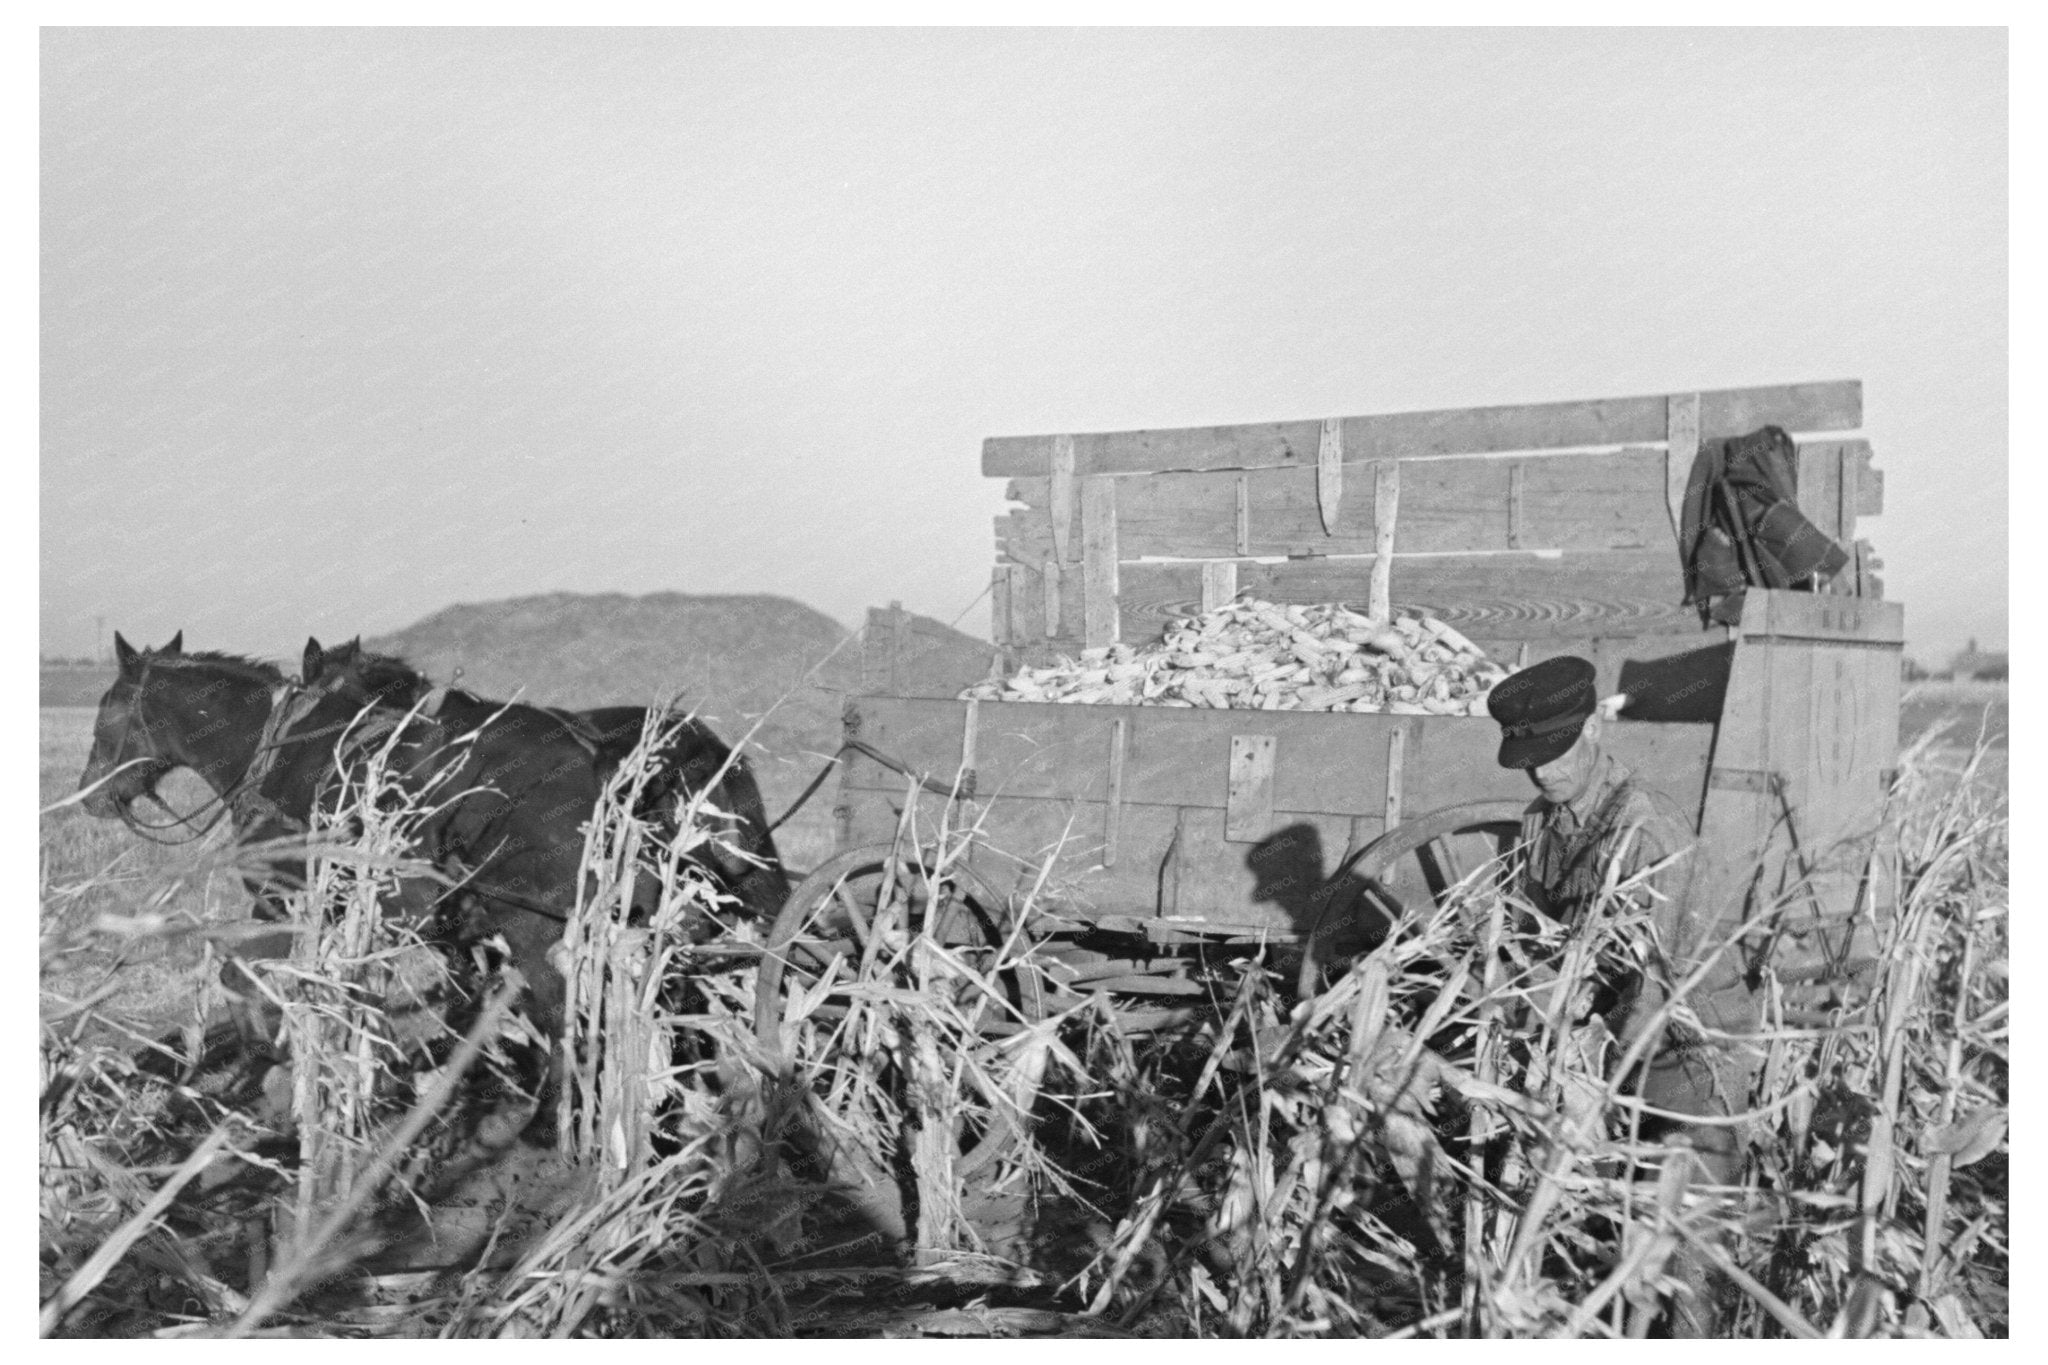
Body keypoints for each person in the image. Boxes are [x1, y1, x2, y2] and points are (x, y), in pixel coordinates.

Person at [1487, 654, 1760, 1335]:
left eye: (1553, 753)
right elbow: (1539, 938)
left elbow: (1653, 981)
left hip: (1687, 1051)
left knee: (1683, 1244)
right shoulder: (1540, 822)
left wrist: (1585, 1078)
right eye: (1529, 758)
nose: (1542, 770)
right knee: (1613, 1244)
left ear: (1591, 732)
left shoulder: (1646, 831)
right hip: (1604, 1038)